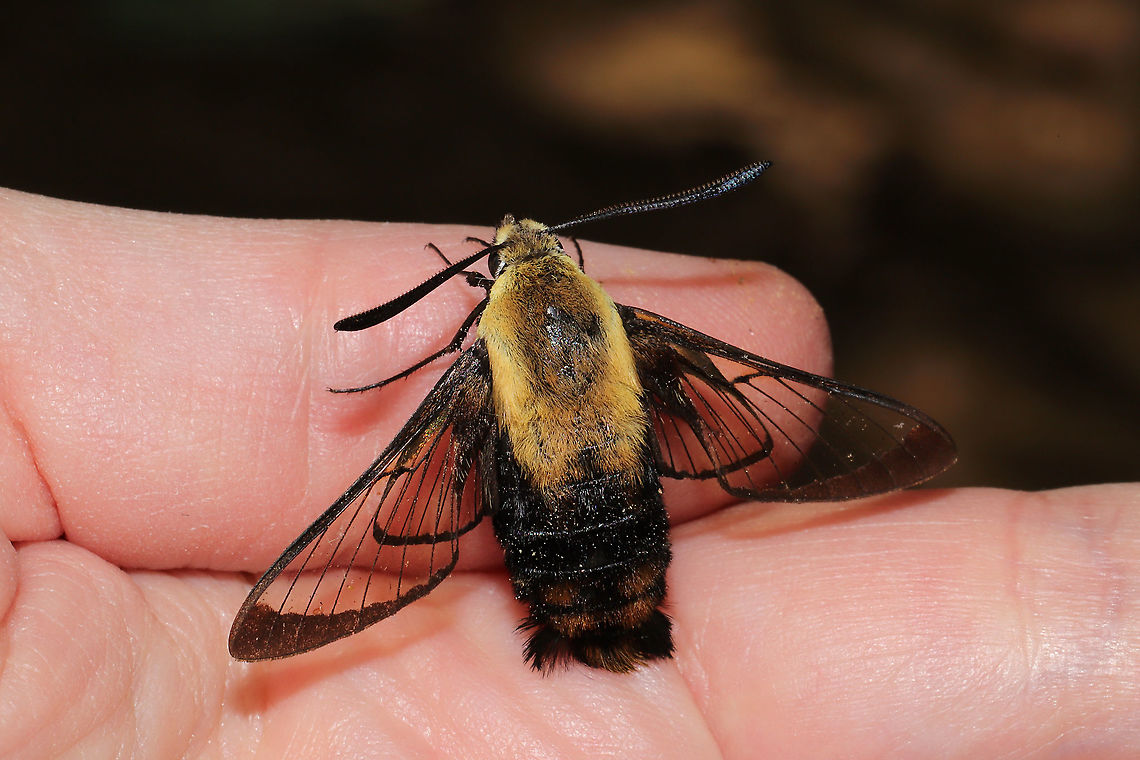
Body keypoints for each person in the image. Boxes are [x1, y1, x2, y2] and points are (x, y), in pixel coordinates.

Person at [0, 186, 1136, 757]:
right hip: (630, 533)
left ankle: (586, 618)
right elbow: (791, 423)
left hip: (549, 542)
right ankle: (619, 617)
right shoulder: (651, 337)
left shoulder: (464, 369)